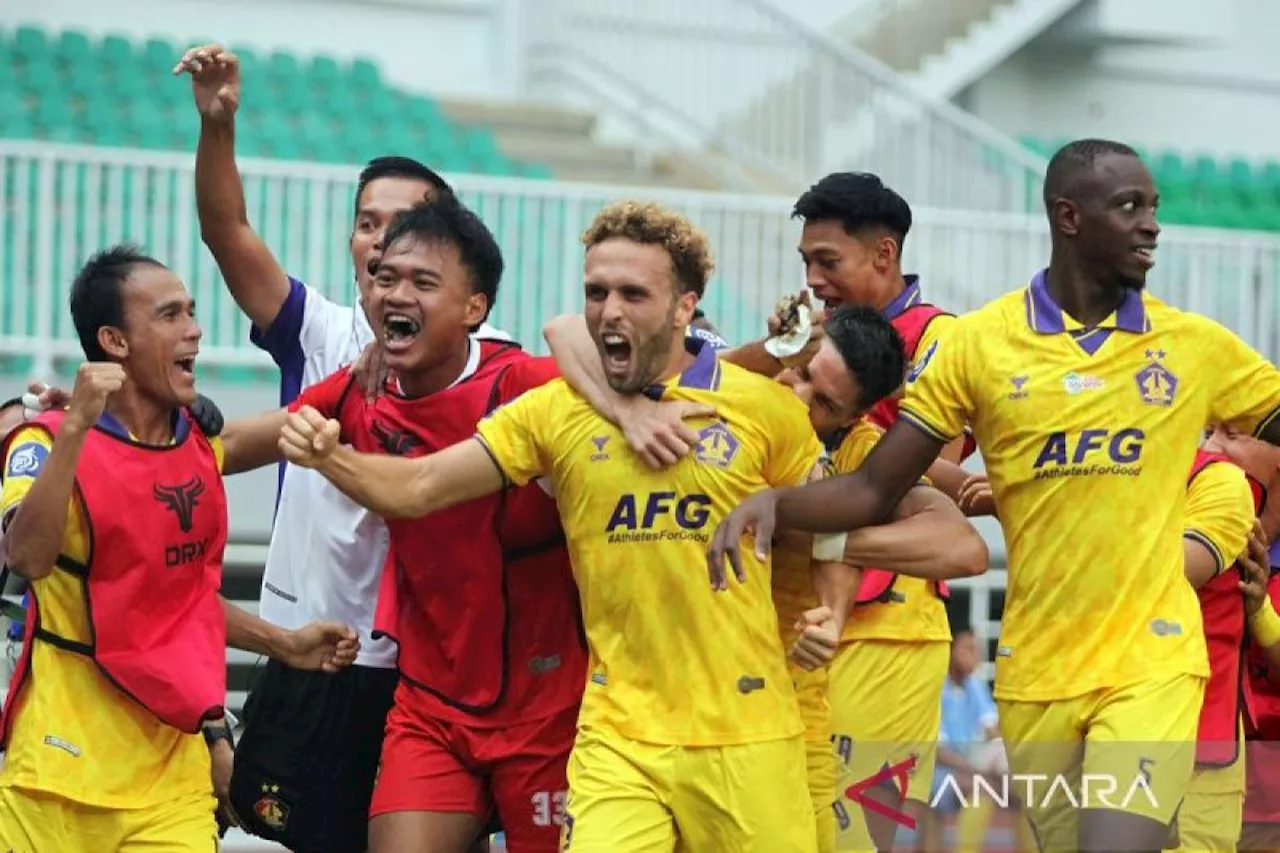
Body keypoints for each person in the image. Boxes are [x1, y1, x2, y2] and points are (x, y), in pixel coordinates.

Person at [709, 138, 1280, 853]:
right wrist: (776, 505)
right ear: (1068, 217)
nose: (1151, 226)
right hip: (1036, 672)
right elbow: (875, 483)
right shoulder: (979, 345)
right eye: (1130, 206)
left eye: (1153, 207)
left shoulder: (1196, 346)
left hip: (1152, 658)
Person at [278, 200, 846, 852]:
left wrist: (829, 609)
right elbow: (419, 487)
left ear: (684, 305)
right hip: (617, 737)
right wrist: (332, 457)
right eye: (596, 292)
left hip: (747, 732)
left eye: (634, 293)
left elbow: (829, 519)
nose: (609, 309)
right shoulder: (557, 411)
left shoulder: (762, 409)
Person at [175, 43, 509, 852]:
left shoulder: (497, 364)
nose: (380, 242)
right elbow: (227, 232)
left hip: (424, 668)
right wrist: (219, 126)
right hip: (309, 646)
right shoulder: (319, 331)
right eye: (366, 224)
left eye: (402, 226)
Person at [544, 300, 988, 853]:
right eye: (801, 372)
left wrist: (826, 539)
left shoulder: (856, 461)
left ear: (852, 418)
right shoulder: (706, 401)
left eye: (823, 401)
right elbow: (564, 331)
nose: (796, 396)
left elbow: (964, 549)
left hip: (782, 717)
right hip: (646, 711)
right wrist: (630, 410)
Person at [0, 246, 358, 851]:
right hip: (57, 781)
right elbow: (28, 558)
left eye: (191, 312)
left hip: (172, 785)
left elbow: (181, 600)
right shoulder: (40, 442)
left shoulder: (196, 447)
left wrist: (286, 643)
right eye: (170, 315)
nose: (193, 329)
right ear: (114, 341)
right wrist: (78, 430)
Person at [279, 198, 596, 853]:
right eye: (385, 277)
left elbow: (670, 379)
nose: (396, 293)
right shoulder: (356, 389)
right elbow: (250, 439)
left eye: (423, 282)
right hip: (432, 705)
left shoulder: (529, 385)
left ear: (473, 307)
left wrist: (569, 330)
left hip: (551, 708)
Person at [1172, 434, 1263, 853]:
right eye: (1210, 428)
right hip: (1166, 760)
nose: (1213, 442)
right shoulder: (1175, 489)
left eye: (1233, 431)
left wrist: (1261, 614)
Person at [917, 631, 1036, 853]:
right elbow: (938, 753)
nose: (975, 656)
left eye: (977, 651)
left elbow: (992, 730)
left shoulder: (975, 686)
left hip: (971, 768)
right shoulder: (935, 690)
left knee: (1021, 789)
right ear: (950, 653)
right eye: (967, 649)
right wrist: (978, 772)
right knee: (983, 788)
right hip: (938, 771)